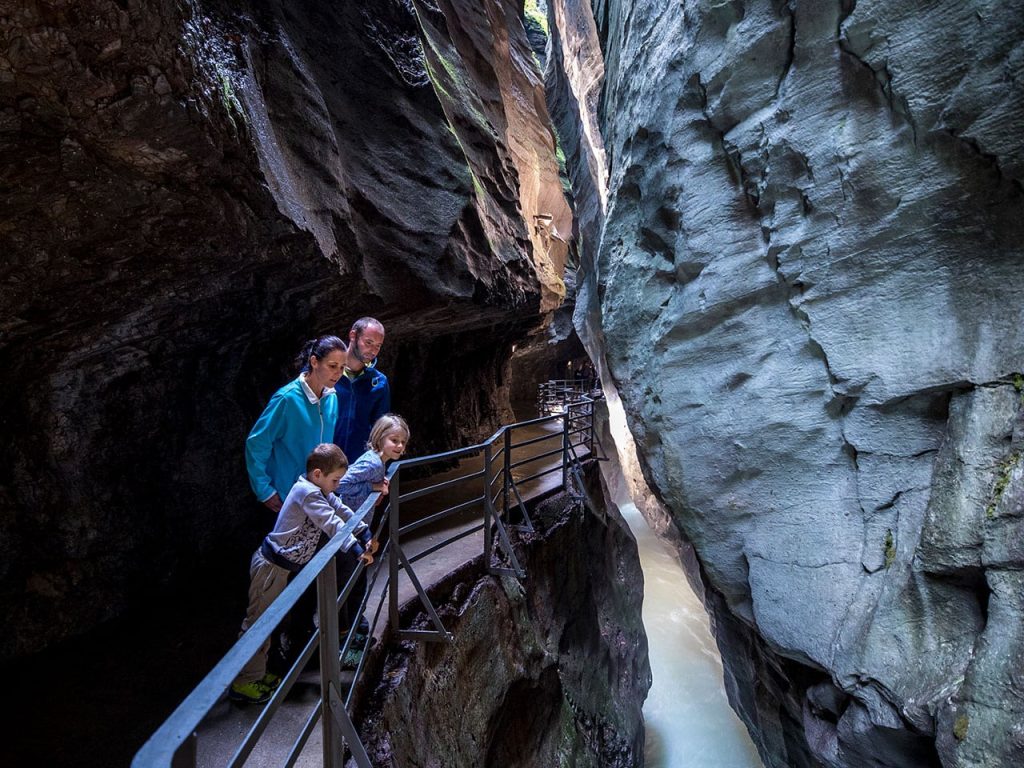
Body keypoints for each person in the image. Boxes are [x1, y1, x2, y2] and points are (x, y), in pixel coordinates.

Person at [230, 444, 375, 704]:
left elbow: (339, 509)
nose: (337, 485)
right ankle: (243, 683)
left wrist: (363, 530)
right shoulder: (307, 493)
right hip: (270, 569)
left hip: (281, 569)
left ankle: (255, 674)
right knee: (257, 624)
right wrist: (355, 549)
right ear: (318, 474)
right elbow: (331, 522)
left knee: (269, 623)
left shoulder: (319, 489)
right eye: (335, 480)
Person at [245, 336, 346, 513]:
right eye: (332, 366)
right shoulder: (287, 399)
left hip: (318, 495)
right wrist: (265, 491)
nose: (338, 373)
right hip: (288, 495)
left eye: (342, 367)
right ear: (314, 362)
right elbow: (257, 442)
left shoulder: (332, 398)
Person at [333, 318, 391, 465]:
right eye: (368, 343)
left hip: (357, 465)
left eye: (378, 346)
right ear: (353, 336)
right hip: (323, 466)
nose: (373, 351)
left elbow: (380, 429)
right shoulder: (328, 372)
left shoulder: (379, 382)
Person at [338, 413, 409, 519]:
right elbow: (340, 484)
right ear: (380, 438)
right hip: (348, 524)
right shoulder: (373, 464)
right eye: (394, 440)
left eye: (403, 442)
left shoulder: (379, 460)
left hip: (356, 522)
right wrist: (373, 486)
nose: (400, 446)